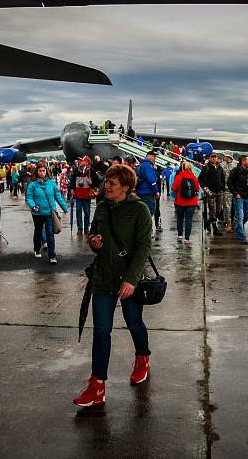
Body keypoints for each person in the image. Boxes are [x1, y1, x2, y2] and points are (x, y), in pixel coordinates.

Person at [74, 165, 153, 407]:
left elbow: (144, 248)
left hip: (129, 278)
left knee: (134, 322)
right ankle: (97, 386)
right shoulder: (101, 207)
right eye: (106, 182)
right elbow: (93, 236)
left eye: (112, 184)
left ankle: (142, 358)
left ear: (126, 188)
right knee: (101, 331)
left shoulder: (140, 210)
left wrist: (132, 279)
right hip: (103, 278)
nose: (106, 186)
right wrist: (94, 243)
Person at [25, 163, 68, 264]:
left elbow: (58, 196)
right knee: (38, 232)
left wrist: (64, 207)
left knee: (50, 233)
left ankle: (52, 256)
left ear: (46, 171)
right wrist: (33, 205)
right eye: (40, 171)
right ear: (37, 172)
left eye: (43, 171)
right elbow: (29, 197)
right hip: (37, 212)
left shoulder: (51, 183)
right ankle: (36, 249)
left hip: (49, 212)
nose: (42, 173)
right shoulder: (33, 184)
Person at [172, 162, 200, 244]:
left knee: (180, 218)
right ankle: (187, 238)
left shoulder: (178, 176)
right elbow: (197, 189)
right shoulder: (194, 177)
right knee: (189, 220)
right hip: (192, 202)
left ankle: (180, 235)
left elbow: (173, 188)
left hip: (180, 202)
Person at [198, 153, 225, 236]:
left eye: (215, 157)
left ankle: (208, 222)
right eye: (212, 157)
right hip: (211, 192)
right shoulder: (206, 167)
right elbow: (200, 179)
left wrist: (222, 187)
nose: (214, 158)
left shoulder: (220, 167)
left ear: (217, 158)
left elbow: (222, 179)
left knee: (218, 210)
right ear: (210, 158)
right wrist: (205, 188)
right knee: (212, 210)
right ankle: (214, 227)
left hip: (219, 192)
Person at [228, 155, 248, 245]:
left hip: (247, 196)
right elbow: (229, 182)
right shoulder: (235, 171)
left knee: (247, 216)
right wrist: (235, 193)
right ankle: (242, 236)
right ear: (243, 162)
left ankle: (237, 229)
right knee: (240, 217)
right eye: (247, 160)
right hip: (239, 196)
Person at [72, 157, 97, 234]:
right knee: (78, 212)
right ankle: (80, 228)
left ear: (87, 162)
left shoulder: (91, 170)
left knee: (87, 212)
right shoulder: (76, 170)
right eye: (81, 161)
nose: (81, 162)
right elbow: (72, 180)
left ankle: (86, 228)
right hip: (78, 194)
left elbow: (97, 182)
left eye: (83, 160)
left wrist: (91, 183)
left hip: (87, 195)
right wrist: (72, 189)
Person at [135, 150, 160, 221]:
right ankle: (145, 230)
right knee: (148, 214)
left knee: (141, 214)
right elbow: (151, 180)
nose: (155, 158)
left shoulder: (141, 165)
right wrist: (156, 192)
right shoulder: (147, 165)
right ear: (148, 156)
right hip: (147, 194)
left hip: (140, 192)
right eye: (153, 156)